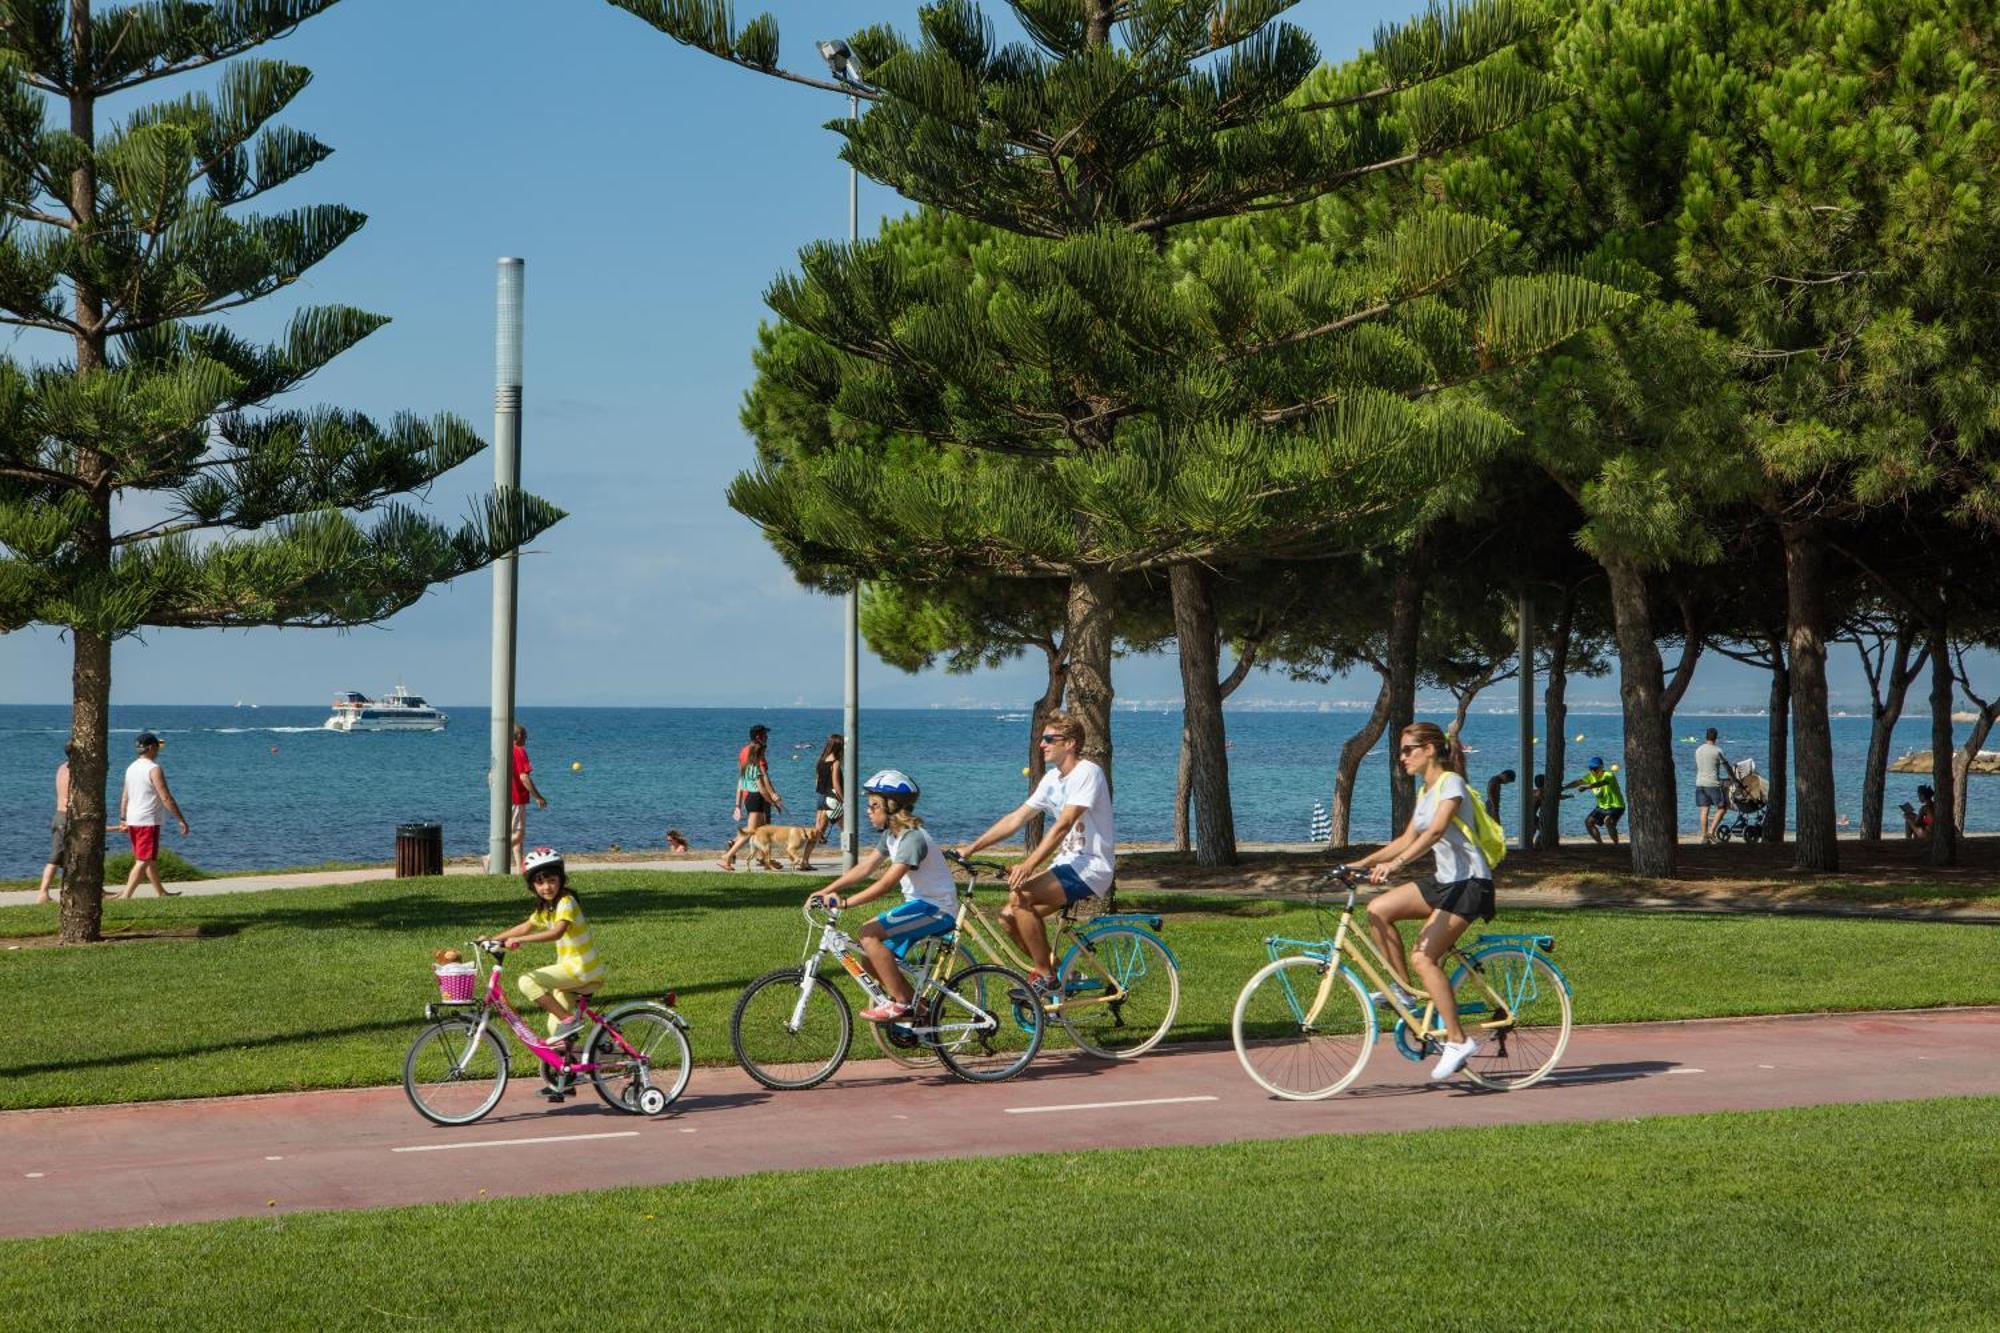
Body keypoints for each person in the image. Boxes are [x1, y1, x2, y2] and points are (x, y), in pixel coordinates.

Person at [1346, 721, 1496, 1081]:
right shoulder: (1425, 791)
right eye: (1401, 751)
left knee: (1423, 957)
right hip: (1445, 881)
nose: (1402, 758)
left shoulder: (1451, 783)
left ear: (1430, 749)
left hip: (1470, 884)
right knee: (1379, 910)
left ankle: (1458, 1041)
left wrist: (1395, 866)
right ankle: (1403, 993)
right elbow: (1408, 836)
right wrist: (1364, 862)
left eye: (1408, 750)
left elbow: (1436, 831)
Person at [958, 712, 1113, 997]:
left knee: (1020, 897)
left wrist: (1029, 864)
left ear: (1071, 743)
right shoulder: (1052, 779)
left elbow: (1063, 824)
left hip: (1091, 867)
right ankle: (1061, 975)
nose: (1042, 744)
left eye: (1049, 739)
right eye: (1042, 739)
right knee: (1008, 917)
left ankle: (1046, 978)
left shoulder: (1087, 773)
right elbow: (1015, 819)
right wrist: (970, 848)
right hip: (1066, 866)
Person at [805, 770, 957, 1022]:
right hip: (920, 905)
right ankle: (922, 1010)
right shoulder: (892, 835)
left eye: (873, 805)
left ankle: (904, 1002)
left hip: (937, 910)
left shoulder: (912, 839)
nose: (868, 811)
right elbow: (865, 868)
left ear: (891, 807)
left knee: (869, 934)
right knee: (870, 959)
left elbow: (886, 883)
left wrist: (845, 903)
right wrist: (829, 889)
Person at [489, 848, 604, 1098]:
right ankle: (567, 1077)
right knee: (555, 1034)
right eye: (540, 882)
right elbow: (526, 925)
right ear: (532, 886)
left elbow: (557, 932)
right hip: (572, 972)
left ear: (561, 879)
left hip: (582, 969)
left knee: (528, 981)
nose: (547, 887)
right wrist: (492, 939)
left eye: (552, 880)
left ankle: (569, 1022)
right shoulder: (547, 907)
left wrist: (522, 942)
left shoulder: (566, 902)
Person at [116, 731, 189, 898]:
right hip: (147, 820)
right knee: (143, 860)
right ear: (150, 748)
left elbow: (125, 795)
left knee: (149, 859)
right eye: (157, 748)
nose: (158, 751)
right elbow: (165, 797)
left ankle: (160, 892)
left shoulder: (131, 768)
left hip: (134, 819)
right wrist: (181, 819)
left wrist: (123, 818)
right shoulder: (153, 769)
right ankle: (126, 895)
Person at [719, 726, 783, 871]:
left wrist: (738, 804)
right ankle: (728, 855)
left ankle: (765, 859)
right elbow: (762, 785)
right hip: (756, 798)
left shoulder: (745, 760)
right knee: (752, 831)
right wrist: (773, 800)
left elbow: (740, 784)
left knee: (761, 830)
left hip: (750, 798)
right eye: (765, 735)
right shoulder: (756, 767)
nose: (767, 738)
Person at [36, 745, 75, 904]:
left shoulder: (62, 767)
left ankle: (73, 890)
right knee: (56, 856)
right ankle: (42, 893)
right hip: (66, 817)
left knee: (72, 857)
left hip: (60, 816)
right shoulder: (73, 770)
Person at [510, 723, 548, 875]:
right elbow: (524, 777)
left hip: (507, 799)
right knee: (518, 835)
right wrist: (538, 796)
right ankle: (492, 857)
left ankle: (521, 869)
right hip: (517, 799)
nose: (526, 738)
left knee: (515, 835)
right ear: (518, 736)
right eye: (525, 735)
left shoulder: (504, 750)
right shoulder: (519, 751)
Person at [1566, 757, 1625, 845]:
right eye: (1591, 769)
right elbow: (1578, 782)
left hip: (1616, 806)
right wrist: (1564, 787)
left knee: (1608, 821)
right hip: (1602, 806)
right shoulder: (1590, 776)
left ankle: (1616, 845)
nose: (1593, 771)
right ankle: (1601, 844)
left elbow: (1600, 783)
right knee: (1588, 822)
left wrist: (1586, 787)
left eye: (1595, 768)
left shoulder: (1609, 775)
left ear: (1601, 767)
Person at [808, 733, 845, 869]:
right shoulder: (835, 762)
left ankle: (804, 861)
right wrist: (844, 800)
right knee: (847, 829)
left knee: (817, 831)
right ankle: (851, 860)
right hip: (833, 799)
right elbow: (836, 783)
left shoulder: (821, 760)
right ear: (838, 748)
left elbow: (816, 781)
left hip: (822, 797)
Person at [1693, 728, 1734, 843]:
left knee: (1704, 810)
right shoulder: (1717, 751)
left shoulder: (1698, 750)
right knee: (1722, 808)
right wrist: (1733, 778)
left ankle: (1704, 836)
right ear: (1716, 738)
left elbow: (1698, 766)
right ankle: (1711, 832)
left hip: (1700, 783)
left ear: (1706, 737)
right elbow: (1727, 767)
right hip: (1713, 784)